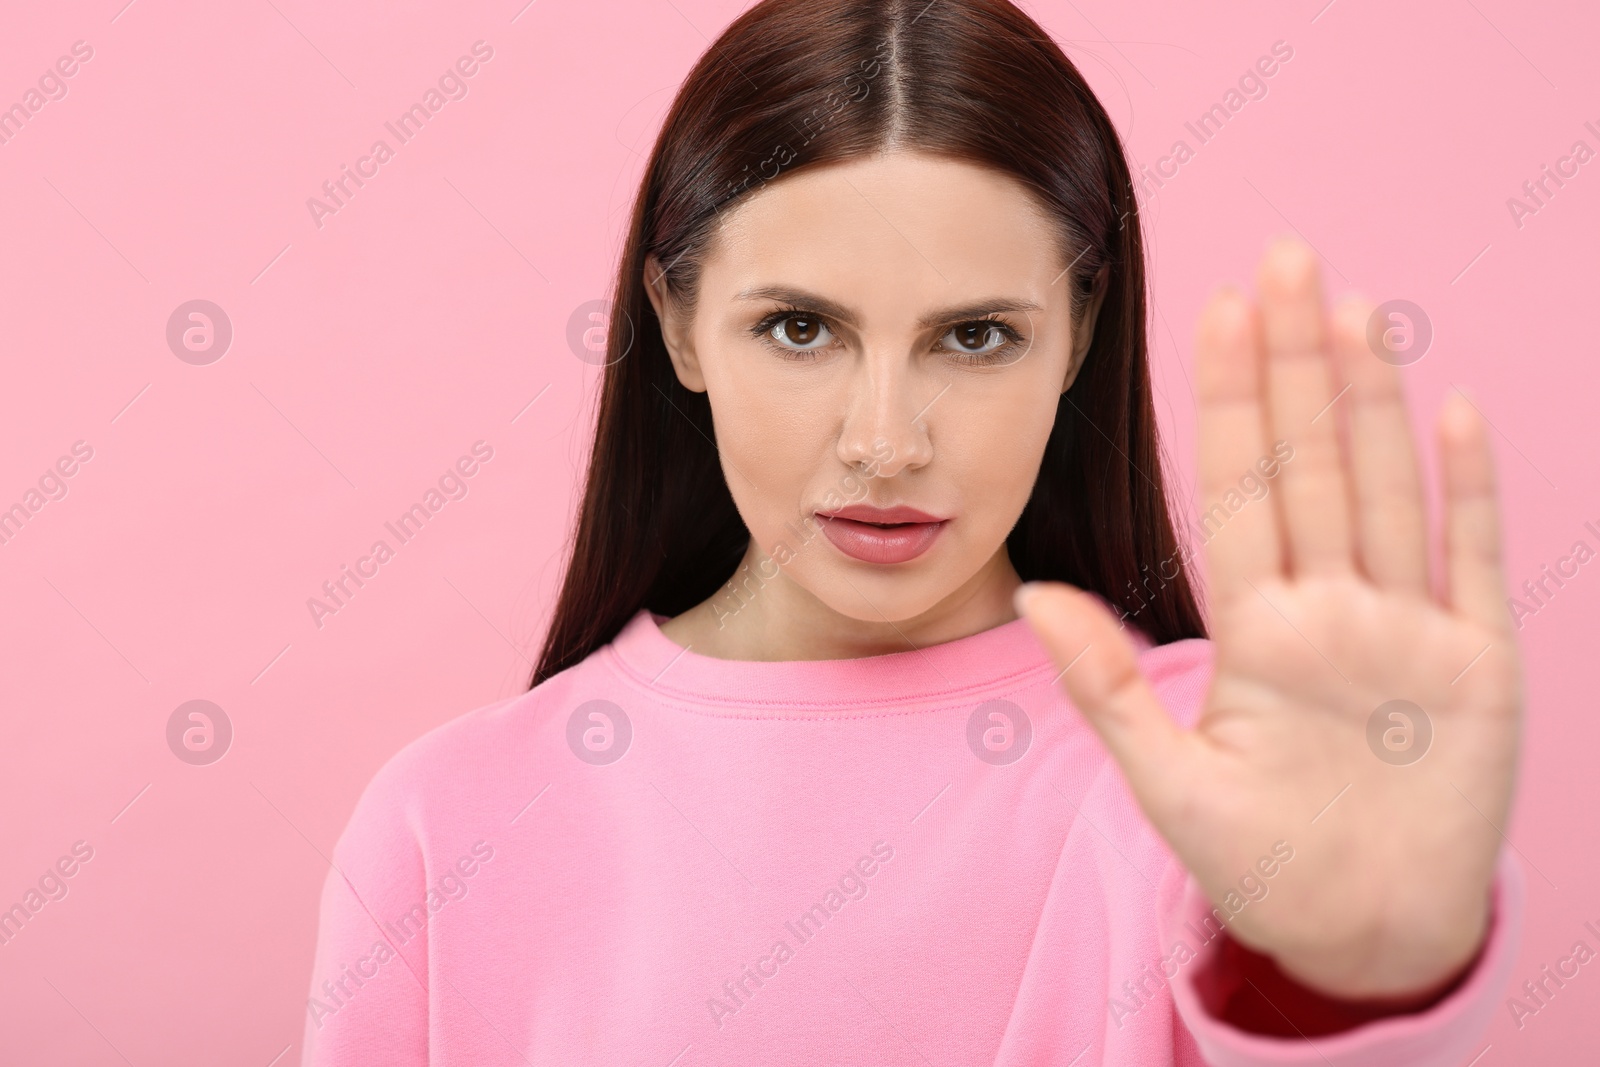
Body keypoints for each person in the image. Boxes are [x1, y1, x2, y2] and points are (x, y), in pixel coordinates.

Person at [302, 0, 1523, 1062]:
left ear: (1080, 335)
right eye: (797, 329)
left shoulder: (1221, 759)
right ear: (677, 324)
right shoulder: (444, 824)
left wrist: (1356, 968)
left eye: (974, 336)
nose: (886, 441)